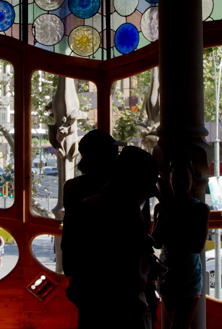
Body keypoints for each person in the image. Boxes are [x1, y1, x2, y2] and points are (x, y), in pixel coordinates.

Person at [72, 145, 160, 329]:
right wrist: (147, 266)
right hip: (125, 315)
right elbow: (134, 284)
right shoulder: (129, 216)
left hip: (92, 311)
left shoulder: (83, 208)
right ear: (136, 186)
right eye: (144, 191)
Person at [152, 159, 209, 329]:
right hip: (168, 272)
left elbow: (197, 246)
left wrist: (170, 223)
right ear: (169, 181)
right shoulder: (162, 208)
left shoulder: (201, 209)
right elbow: (156, 241)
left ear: (193, 181)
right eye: (176, 178)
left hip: (188, 274)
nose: (180, 183)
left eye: (184, 178)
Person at [62, 129, 123, 279]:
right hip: (113, 274)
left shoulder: (71, 187)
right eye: (115, 152)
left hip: (82, 275)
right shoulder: (117, 189)